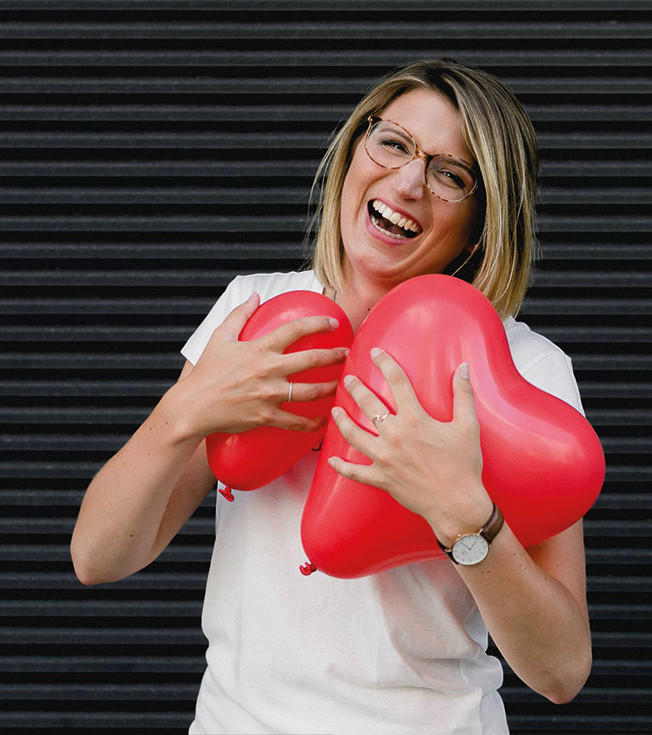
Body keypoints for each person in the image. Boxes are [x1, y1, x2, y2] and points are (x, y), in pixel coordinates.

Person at [70, 59, 593, 734]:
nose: (408, 183)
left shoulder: (526, 372)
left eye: (450, 174)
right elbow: (98, 556)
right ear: (355, 150)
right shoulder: (252, 315)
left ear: (481, 224)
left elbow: (561, 670)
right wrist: (183, 411)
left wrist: (464, 516)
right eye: (395, 143)